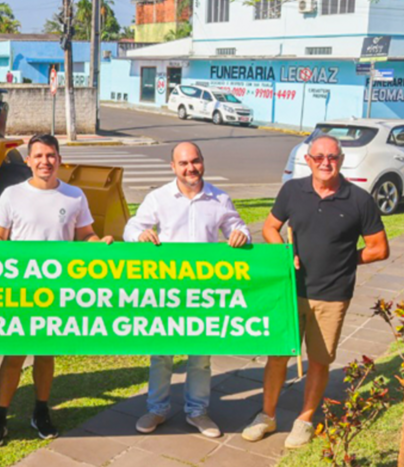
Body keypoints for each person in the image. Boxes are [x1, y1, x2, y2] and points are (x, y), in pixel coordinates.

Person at [243, 134, 389, 448]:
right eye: (319, 157)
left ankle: (304, 420)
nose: (326, 162)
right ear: (308, 160)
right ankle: (267, 416)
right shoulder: (292, 190)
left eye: (332, 157)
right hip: (290, 291)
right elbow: (270, 227)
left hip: (333, 295)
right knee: (278, 355)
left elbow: (379, 248)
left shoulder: (359, 199)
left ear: (341, 160)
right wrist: (284, 252)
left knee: (320, 361)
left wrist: (346, 259)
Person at [0, 133, 114, 446]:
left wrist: (99, 244)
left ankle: (41, 411)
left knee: (45, 354)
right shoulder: (12, 195)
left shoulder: (74, 196)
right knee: (14, 355)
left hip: (56, 291)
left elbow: (85, 234)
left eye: (50, 155)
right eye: (38, 156)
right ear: (28, 161)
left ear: (59, 159)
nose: (45, 161)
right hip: (21, 290)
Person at [123, 141, 250, 439]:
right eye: (183, 163)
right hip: (167, 290)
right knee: (161, 354)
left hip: (204, 292)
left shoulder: (219, 198)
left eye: (195, 161)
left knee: (200, 356)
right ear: (173, 167)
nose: (190, 168)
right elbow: (131, 228)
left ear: (202, 161)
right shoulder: (158, 198)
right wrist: (140, 234)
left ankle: (197, 412)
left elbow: (238, 226)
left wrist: (241, 235)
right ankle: (156, 409)